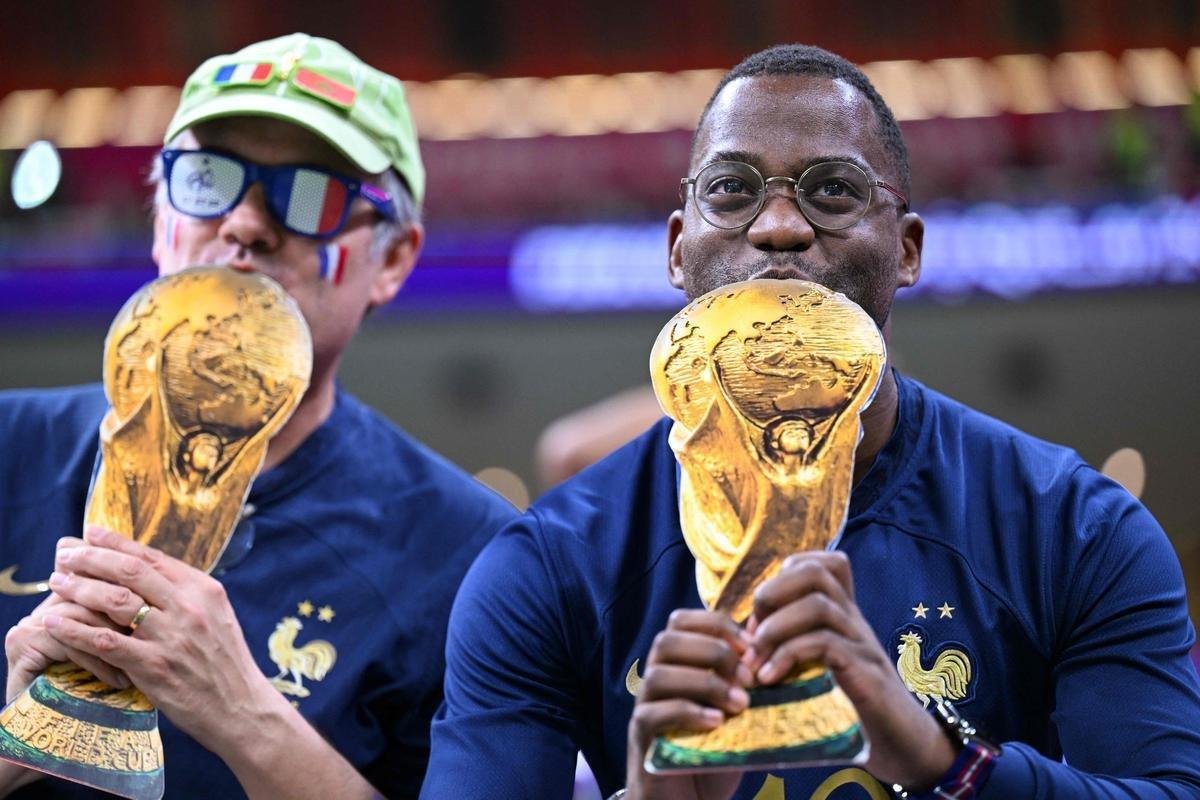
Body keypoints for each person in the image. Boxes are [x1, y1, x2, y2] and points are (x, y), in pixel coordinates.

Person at [424, 44, 1200, 799]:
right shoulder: (548, 564)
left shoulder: (1074, 527)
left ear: (907, 249)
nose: (780, 227)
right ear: (675, 249)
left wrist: (944, 762)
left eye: (833, 191)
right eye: (731, 190)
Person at [0, 33, 516, 799]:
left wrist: (242, 713)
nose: (243, 223)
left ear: (396, 259)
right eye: (207, 178)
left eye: (310, 194)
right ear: (158, 220)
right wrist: (30, 731)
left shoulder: (470, 554)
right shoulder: (10, 451)